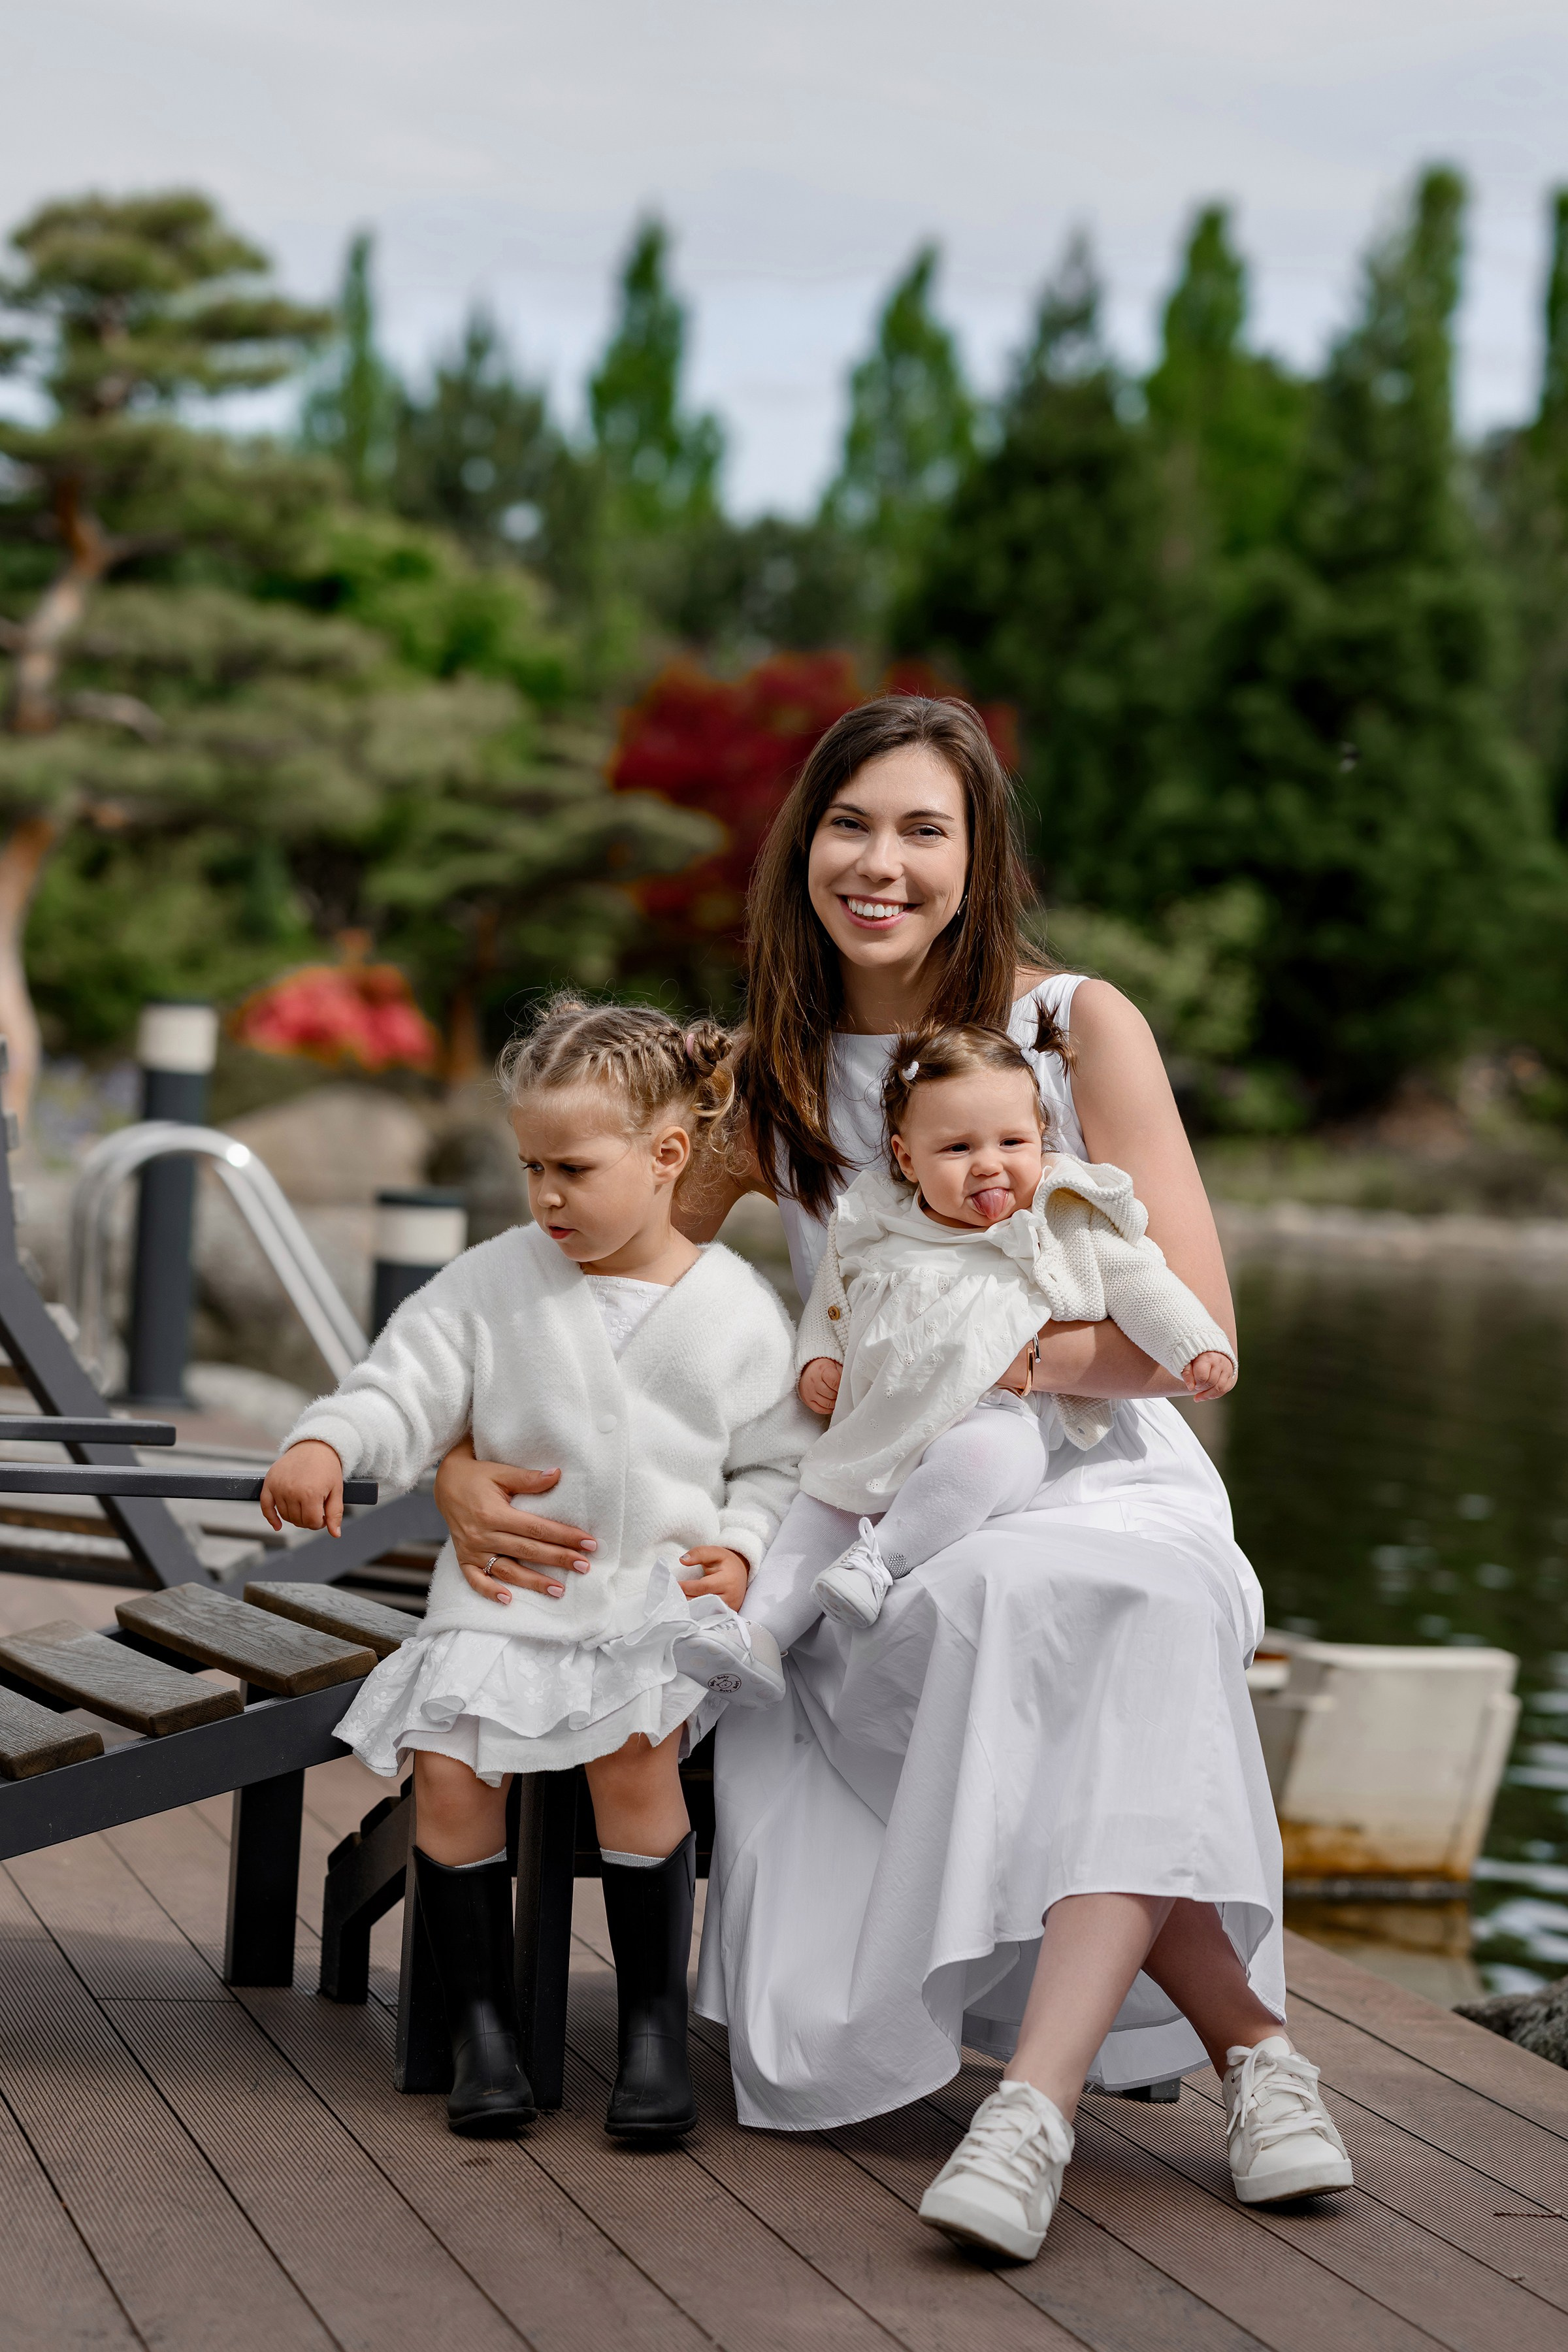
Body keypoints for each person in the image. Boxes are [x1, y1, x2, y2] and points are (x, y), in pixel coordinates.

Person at [431, 696, 1353, 2262]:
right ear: (802, 847)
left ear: (975, 853)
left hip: (1093, 1471)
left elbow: (1191, 1321)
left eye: (923, 827)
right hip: (874, 1506)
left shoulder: (1071, 1028)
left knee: (1089, 1592)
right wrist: (458, 1452)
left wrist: (992, 1363)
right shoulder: (763, 1069)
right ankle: (1258, 2059)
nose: (880, 862)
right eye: (849, 824)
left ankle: (1030, 2109)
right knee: (1047, 1627)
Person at [259, 1000, 810, 2144]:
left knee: (636, 1762)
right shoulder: (490, 1284)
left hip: (646, 1610)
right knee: (454, 1779)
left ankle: (653, 2036)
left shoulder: (736, 1311)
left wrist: (746, 1543)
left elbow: (777, 1462)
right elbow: (398, 1385)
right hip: (505, 1604)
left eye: (574, 1168)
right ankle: (483, 2027)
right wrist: (327, 1443)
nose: (546, 1195)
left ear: (667, 1158)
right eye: (530, 1168)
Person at [776, 1013, 1235, 1635]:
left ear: (1042, 1140)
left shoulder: (1059, 1220)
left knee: (989, 1453)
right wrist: (820, 1357)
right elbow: (834, 1297)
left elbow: (1138, 1282)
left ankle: (879, 1562)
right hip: (882, 1414)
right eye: (958, 1148)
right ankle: (756, 1638)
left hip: (995, 1413)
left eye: (1011, 1143)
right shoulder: (877, 1221)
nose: (988, 1165)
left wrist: (1195, 1343)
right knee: (823, 1496)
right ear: (906, 1158)